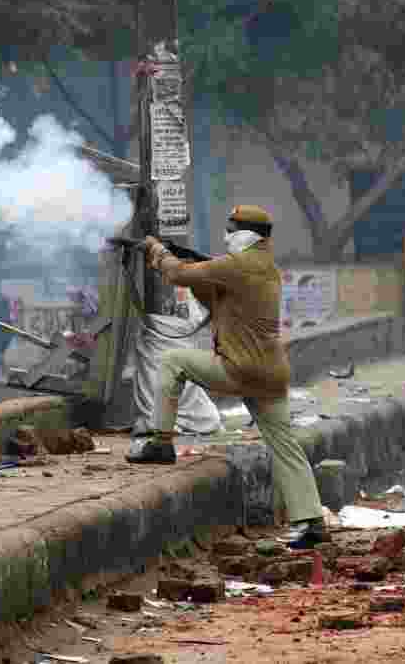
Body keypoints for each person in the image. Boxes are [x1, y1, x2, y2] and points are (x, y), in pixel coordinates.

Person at [127, 204, 326, 549]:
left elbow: (178, 276)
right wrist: (191, 261)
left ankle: (160, 441)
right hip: (271, 374)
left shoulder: (240, 264)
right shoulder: (265, 267)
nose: (226, 235)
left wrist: (158, 252)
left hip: (239, 369)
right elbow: (218, 298)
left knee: (172, 360)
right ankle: (311, 522)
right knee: (285, 447)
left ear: (248, 234)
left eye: (232, 229)